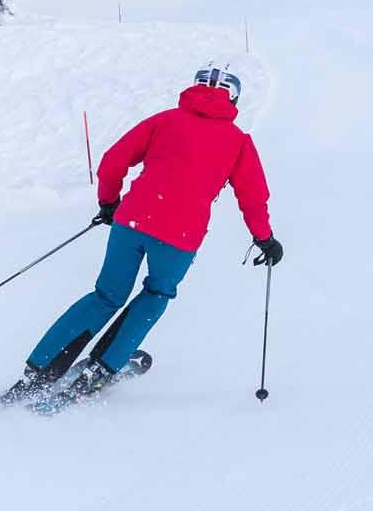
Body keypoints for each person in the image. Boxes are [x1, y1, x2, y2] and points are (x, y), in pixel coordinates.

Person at [15, 65, 281, 398]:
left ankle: (40, 368)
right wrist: (264, 238)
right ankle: (103, 367)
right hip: (179, 239)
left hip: (132, 223)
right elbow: (253, 197)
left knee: (106, 295)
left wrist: (108, 203)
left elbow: (113, 160)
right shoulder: (238, 142)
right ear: (234, 99)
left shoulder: (164, 121)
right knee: (156, 295)